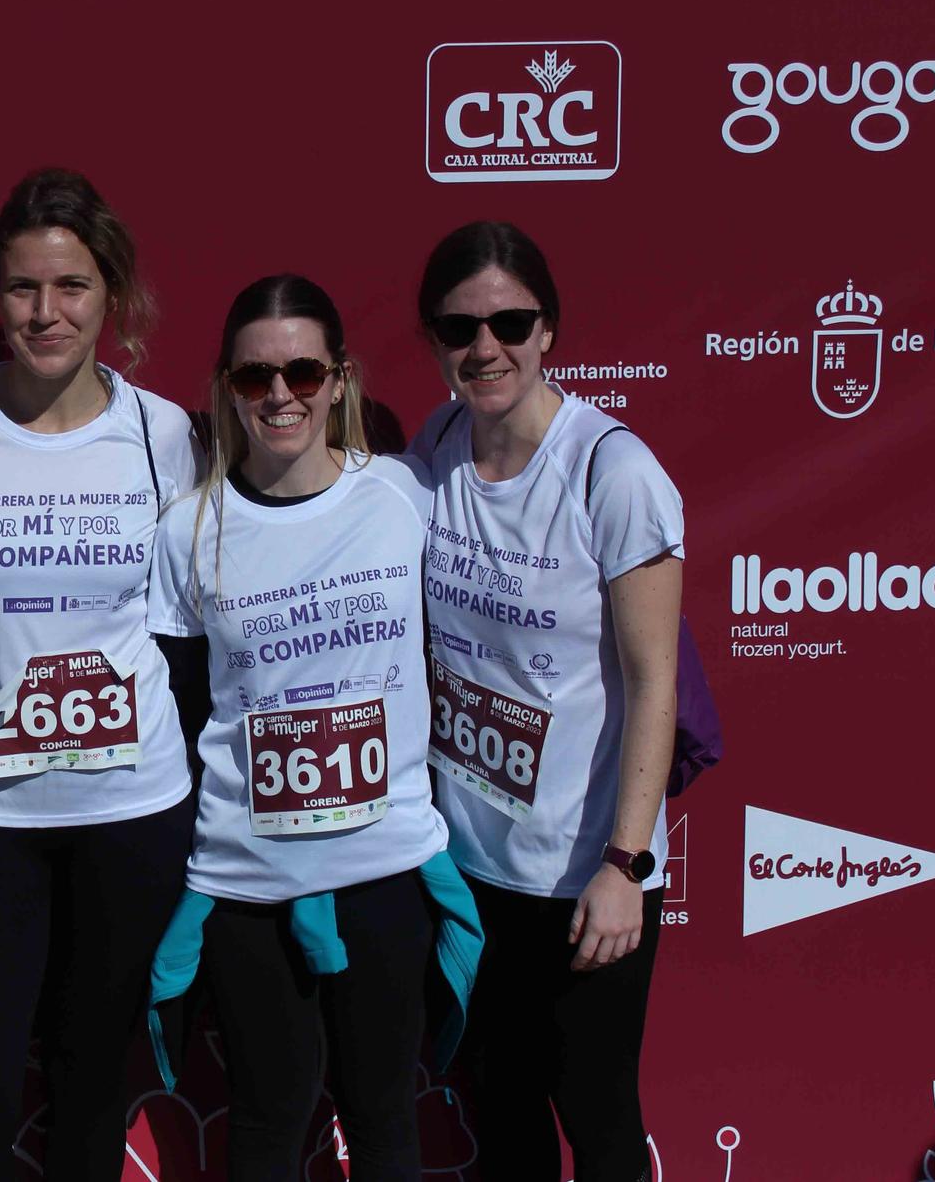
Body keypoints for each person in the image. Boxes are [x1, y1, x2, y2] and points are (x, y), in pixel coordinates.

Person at [0, 169, 200, 1181]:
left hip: (129, 808)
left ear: (108, 292)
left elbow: (189, 625)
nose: (44, 311)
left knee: (86, 1094)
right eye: (23, 287)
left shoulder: (159, 435)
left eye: (69, 286)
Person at [143, 275, 479, 1182]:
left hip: (385, 874)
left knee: (383, 1124)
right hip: (250, 886)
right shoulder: (188, 531)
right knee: (264, 1125)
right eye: (256, 377)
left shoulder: (403, 496)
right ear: (226, 386)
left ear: (339, 377)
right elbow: (180, 708)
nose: (280, 394)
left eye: (301, 370)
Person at [409, 222, 682, 1182]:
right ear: (434, 338)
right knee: (506, 1118)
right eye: (459, 328)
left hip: (584, 879)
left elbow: (656, 684)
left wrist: (625, 862)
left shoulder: (615, 473)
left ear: (550, 330)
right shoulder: (435, 447)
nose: (485, 348)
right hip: (473, 869)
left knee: (601, 1123)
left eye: (510, 322)